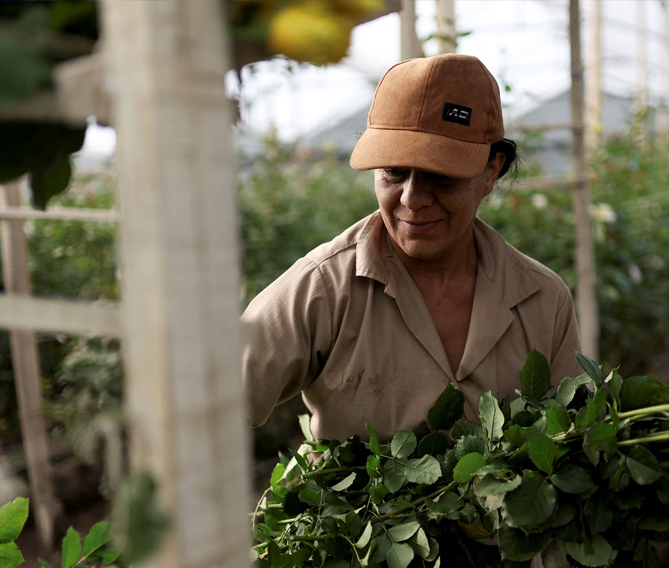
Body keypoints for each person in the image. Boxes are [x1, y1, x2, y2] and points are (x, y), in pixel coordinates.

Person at [241, 53, 582, 443]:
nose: (413, 198)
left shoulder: (542, 300)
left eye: (441, 177)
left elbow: (570, 442)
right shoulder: (320, 290)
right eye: (394, 172)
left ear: (490, 172)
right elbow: (206, 409)